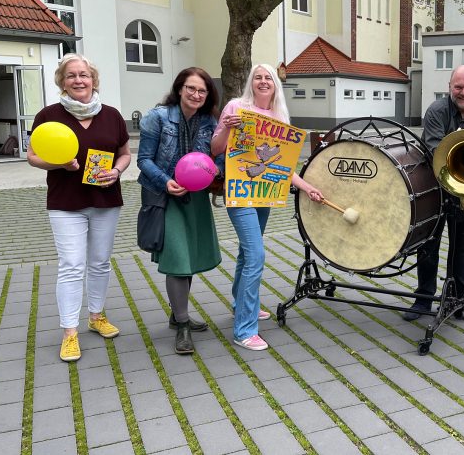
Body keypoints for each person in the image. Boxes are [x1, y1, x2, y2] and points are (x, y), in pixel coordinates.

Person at [211, 64, 322, 351]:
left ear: (275, 85)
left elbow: (282, 165)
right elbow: (215, 148)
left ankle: (239, 304)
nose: (263, 81)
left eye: (268, 78)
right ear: (251, 82)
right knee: (256, 255)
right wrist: (226, 128)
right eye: (258, 77)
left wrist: (306, 186)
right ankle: (245, 329)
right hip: (239, 193)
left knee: (247, 252)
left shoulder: (279, 117)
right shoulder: (236, 107)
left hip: (265, 193)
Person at [28, 54, 131, 362]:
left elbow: (125, 153)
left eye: (83, 75)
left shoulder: (112, 115)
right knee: (72, 265)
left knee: (100, 262)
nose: (78, 80)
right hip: (66, 202)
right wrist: (57, 163)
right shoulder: (48, 115)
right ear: (62, 82)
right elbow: (32, 155)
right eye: (71, 75)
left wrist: (117, 171)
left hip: (105, 199)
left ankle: (96, 316)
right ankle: (69, 331)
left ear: (93, 79)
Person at [403, 65, 464, 323]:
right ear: (450, 87)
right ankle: (424, 299)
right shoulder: (436, 112)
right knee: (428, 244)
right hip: (433, 188)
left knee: (461, 248)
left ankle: (460, 299)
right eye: (458, 87)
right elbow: (436, 151)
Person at [137, 67, 222, 355]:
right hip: (166, 194)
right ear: (179, 89)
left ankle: (177, 313)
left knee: (189, 255)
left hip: (195, 197)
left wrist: (213, 172)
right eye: (191, 88)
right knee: (177, 257)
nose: (196, 94)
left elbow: (217, 157)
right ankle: (182, 324)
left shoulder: (210, 121)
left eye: (202, 90)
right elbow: (144, 160)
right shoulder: (156, 117)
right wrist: (166, 181)